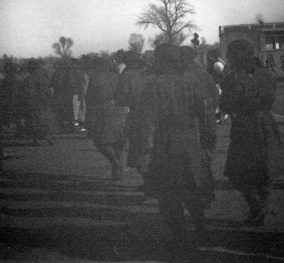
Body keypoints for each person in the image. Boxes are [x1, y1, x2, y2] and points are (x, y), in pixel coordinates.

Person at [138, 43, 216, 252]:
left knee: (168, 194)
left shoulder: (154, 85)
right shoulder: (193, 81)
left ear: (161, 60)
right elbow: (207, 117)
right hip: (191, 141)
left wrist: (143, 152)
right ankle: (202, 231)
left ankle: (180, 238)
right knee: (191, 188)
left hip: (166, 144)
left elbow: (146, 123)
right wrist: (208, 145)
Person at [219, 39, 284, 225]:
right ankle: (261, 208)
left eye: (232, 56)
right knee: (264, 170)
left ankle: (257, 208)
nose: (229, 60)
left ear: (238, 56)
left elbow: (224, 105)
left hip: (245, 126)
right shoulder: (266, 74)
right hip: (265, 124)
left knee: (237, 172)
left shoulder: (234, 78)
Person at [114, 51, 153, 190]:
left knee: (138, 153)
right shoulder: (150, 73)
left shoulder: (127, 76)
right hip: (156, 116)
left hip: (137, 116)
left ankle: (150, 184)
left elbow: (119, 99)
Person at [85, 57, 128, 181]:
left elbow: (89, 98)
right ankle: (117, 166)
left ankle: (115, 163)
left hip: (103, 110)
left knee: (100, 140)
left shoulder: (95, 79)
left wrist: (89, 118)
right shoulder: (118, 77)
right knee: (119, 140)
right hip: (120, 109)